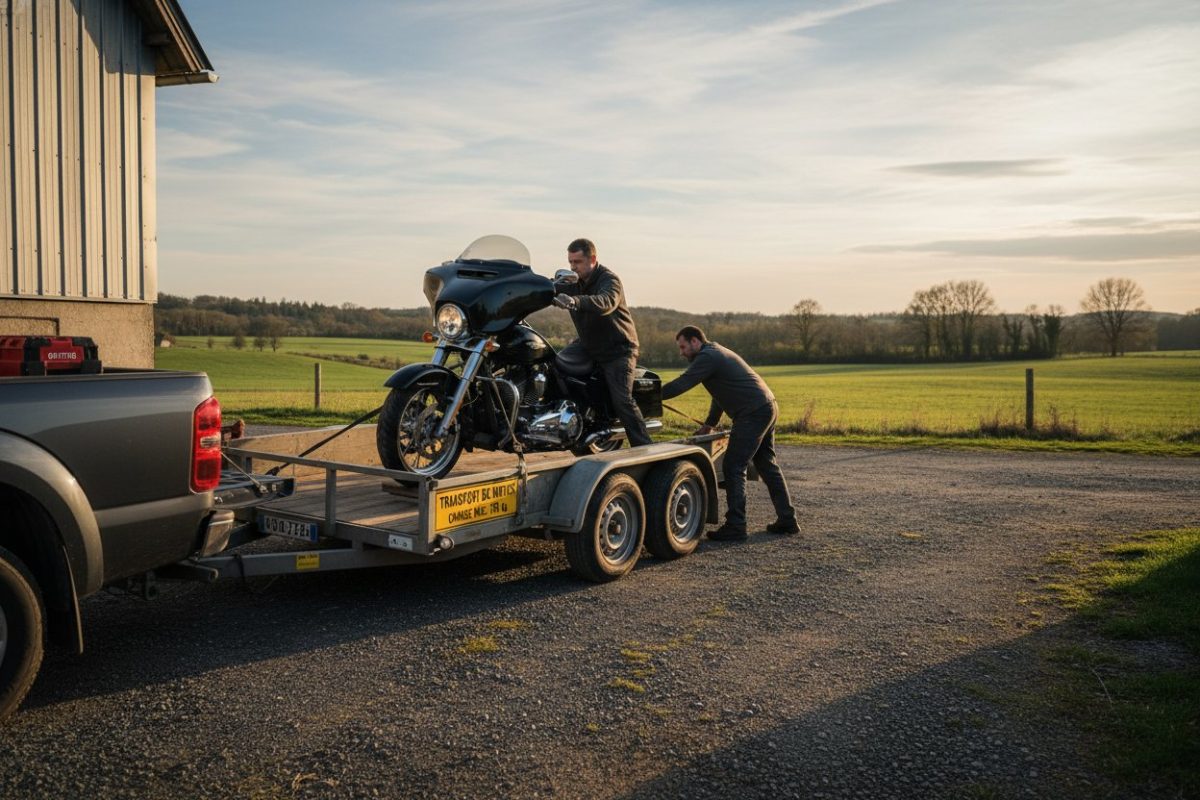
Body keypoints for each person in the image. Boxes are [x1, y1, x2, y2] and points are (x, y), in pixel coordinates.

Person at [661, 325, 798, 540]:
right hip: (767, 405)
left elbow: (682, 384)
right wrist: (709, 424)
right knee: (766, 465)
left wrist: (650, 396)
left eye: (683, 347)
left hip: (753, 413)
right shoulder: (715, 353)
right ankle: (787, 520)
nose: (681, 352)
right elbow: (719, 395)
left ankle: (736, 525)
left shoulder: (707, 357)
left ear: (695, 341)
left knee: (734, 465)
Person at [551, 238, 653, 447]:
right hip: (588, 345)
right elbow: (548, 289)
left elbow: (606, 302)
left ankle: (645, 449)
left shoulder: (609, 280)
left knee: (622, 400)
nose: (573, 267)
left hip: (618, 349)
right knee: (552, 364)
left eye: (577, 262)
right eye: (570, 262)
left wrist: (576, 301)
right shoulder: (573, 280)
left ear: (593, 259)